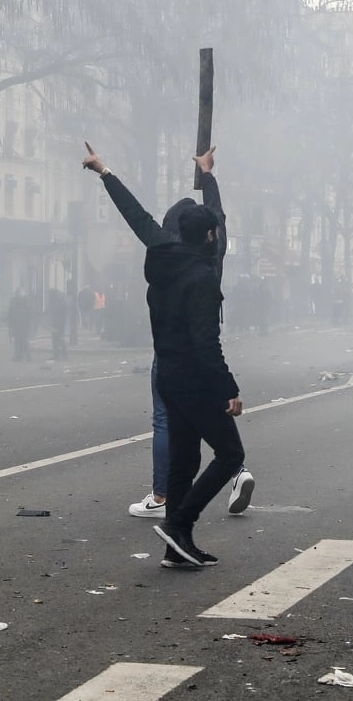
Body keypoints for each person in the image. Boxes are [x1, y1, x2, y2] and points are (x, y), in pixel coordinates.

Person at [81, 143, 254, 519]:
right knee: (218, 432)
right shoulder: (213, 251)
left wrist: (105, 172)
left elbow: (135, 215)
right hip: (203, 356)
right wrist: (207, 174)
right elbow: (218, 215)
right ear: (207, 231)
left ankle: (165, 501)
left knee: (172, 430)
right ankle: (228, 478)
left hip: (171, 357)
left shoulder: (162, 250)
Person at [144, 204, 245, 567]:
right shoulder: (201, 277)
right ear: (209, 235)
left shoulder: (162, 271)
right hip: (195, 380)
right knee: (231, 454)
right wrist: (227, 388)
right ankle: (179, 524)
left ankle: (177, 548)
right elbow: (205, 341)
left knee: (184, 462)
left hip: (168, 375)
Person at [8, 287, 33, 361]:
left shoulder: (26, 301)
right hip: (16, 323)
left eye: (20, 292)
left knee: (23, 340)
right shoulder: (14, 300)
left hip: (24, 324)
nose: (19, 294)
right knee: (17, 340)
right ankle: (19, 356)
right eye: (18, 292)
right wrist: (10, 321)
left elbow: (29, 312)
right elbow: (11, 311)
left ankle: (28, 356)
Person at [46, 288, 69, 360]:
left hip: (59, 323)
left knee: (59, 338)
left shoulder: (57, 301)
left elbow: (60, 312)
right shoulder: (57, 300)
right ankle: (59, 354)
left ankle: (62, 354)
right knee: (56, 338)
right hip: (57, 322)